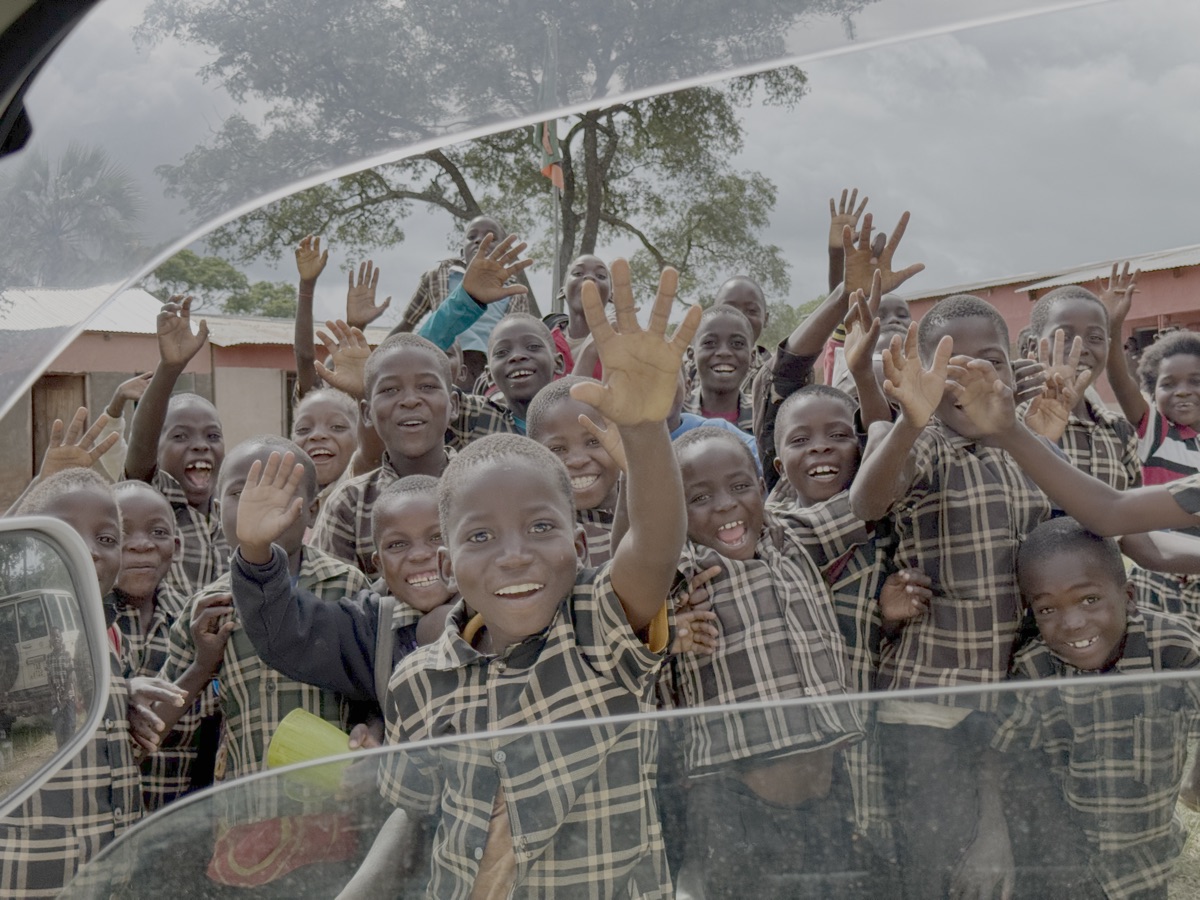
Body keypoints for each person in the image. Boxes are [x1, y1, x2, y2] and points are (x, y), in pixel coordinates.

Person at [318, 258, 699, 897]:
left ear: (581, 544)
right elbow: (412, 814)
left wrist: (643, 429)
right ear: (445, 565)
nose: (514, 555)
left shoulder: (598, 631)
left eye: (541, 528)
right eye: (481, 537)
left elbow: (656, 544)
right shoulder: (419, 681)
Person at [848, 297, 1054, 900]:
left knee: (1007, 865)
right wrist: (909, 420)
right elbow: (867, 502)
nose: (969, 377)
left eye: (991, 360)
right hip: (929, 702)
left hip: (1012, 698)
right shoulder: (929, 445)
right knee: (935, 863)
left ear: (1014, 372)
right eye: (949, 366)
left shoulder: (1025, 452)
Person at [155, 436, 373, 891]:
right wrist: (202, 661)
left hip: (337, 818)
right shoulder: (206, 607)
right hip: (246, 818)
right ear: (218, 514)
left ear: (311, 511)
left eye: (284, 492)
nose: (262, 504)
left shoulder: (347, 584)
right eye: (240, 493)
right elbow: (162, 723)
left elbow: (378, 689)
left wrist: (370, 731)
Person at [669, 425, 870, 898]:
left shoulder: (793, 538)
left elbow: (868, 503)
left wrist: (886, 418)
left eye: (740, 486)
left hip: (828, 798)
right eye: (698, 497)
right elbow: (629, 595)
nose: (724, 504)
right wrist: (665, 628)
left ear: (763, 487)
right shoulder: (682, 570)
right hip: (735, 810)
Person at [0, 469, 190, 899]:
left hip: (107, 874)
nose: (87, 550)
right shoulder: (9, 630)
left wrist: (121, 693)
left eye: (106, 539)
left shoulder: (107, 636)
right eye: (61, 533)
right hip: (30, 876)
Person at [989, 517, 1200, 900]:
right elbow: (1002, 756)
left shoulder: (1172, 649)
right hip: (1057, 867)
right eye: (1048, 610)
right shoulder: (1036, 670)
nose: (1072, 622)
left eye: (1090, 600)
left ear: (1130, 596)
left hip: (1143, 867)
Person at [310, 234, 531, 576]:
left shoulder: (487, 487)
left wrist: (467, 300)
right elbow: (329, 608)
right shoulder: (350, 505)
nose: (410, 399)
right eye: (390, 390)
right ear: (367, 411)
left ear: (456, 403)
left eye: (427, 387)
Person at [231, 475, 455, 706]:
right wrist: (255, 550)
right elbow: (288, 632)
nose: (419, 555)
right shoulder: (371, 628)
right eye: (397, 544)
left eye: (437, 537)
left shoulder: (491, 609)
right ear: (379, 566)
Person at [110, 480, 222, 812]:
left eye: (157, 533)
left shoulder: (197, 623)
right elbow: (128, 746)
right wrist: (199, 669)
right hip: (104, 834)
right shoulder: (87, 625)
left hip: (176, 834)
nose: (141, 545)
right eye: (120, 533)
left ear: (176, 545)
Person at [124, 295, 229, 598]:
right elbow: (141, 443)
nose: (200, 446)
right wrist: (170, 368)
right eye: (181, 436)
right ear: (157, 448)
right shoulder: (155, 501)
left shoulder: (232, 515)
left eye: (212, 436)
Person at [391, 215, 530, 389]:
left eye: (492, 238)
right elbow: (407, 323)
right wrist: (382, 357)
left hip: (491, 372)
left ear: (504, 250)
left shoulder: (515, 291)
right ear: (462, 251)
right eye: (472, 237)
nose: (480, 240)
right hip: (444, 362)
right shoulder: (438, 276)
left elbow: (520, 337)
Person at [526, 376, 624, 567]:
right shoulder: (543, 536)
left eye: (594, 441)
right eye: (557, 449)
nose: (578, 461)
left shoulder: (654, 502)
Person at [682, 305, 756, 432]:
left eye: (737, 344)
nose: (724, 352)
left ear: (752, 357)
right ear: (691, 355)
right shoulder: (674, 415)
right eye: (709, 343)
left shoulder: (764, 417)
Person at [46, 627, 75, 748]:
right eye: (53, 637)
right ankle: (62, 752)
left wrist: (64, 697)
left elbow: (70, 677)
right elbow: (49, 678)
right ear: (51, 640)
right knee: (59, 728)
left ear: (61, 638)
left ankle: (72, 750)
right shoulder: (49, 658)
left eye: (58, 636)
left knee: (70, 724)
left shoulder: (67, 655)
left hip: (68, 696)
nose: (56, 639)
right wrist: (54, 694)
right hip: (56, 699)